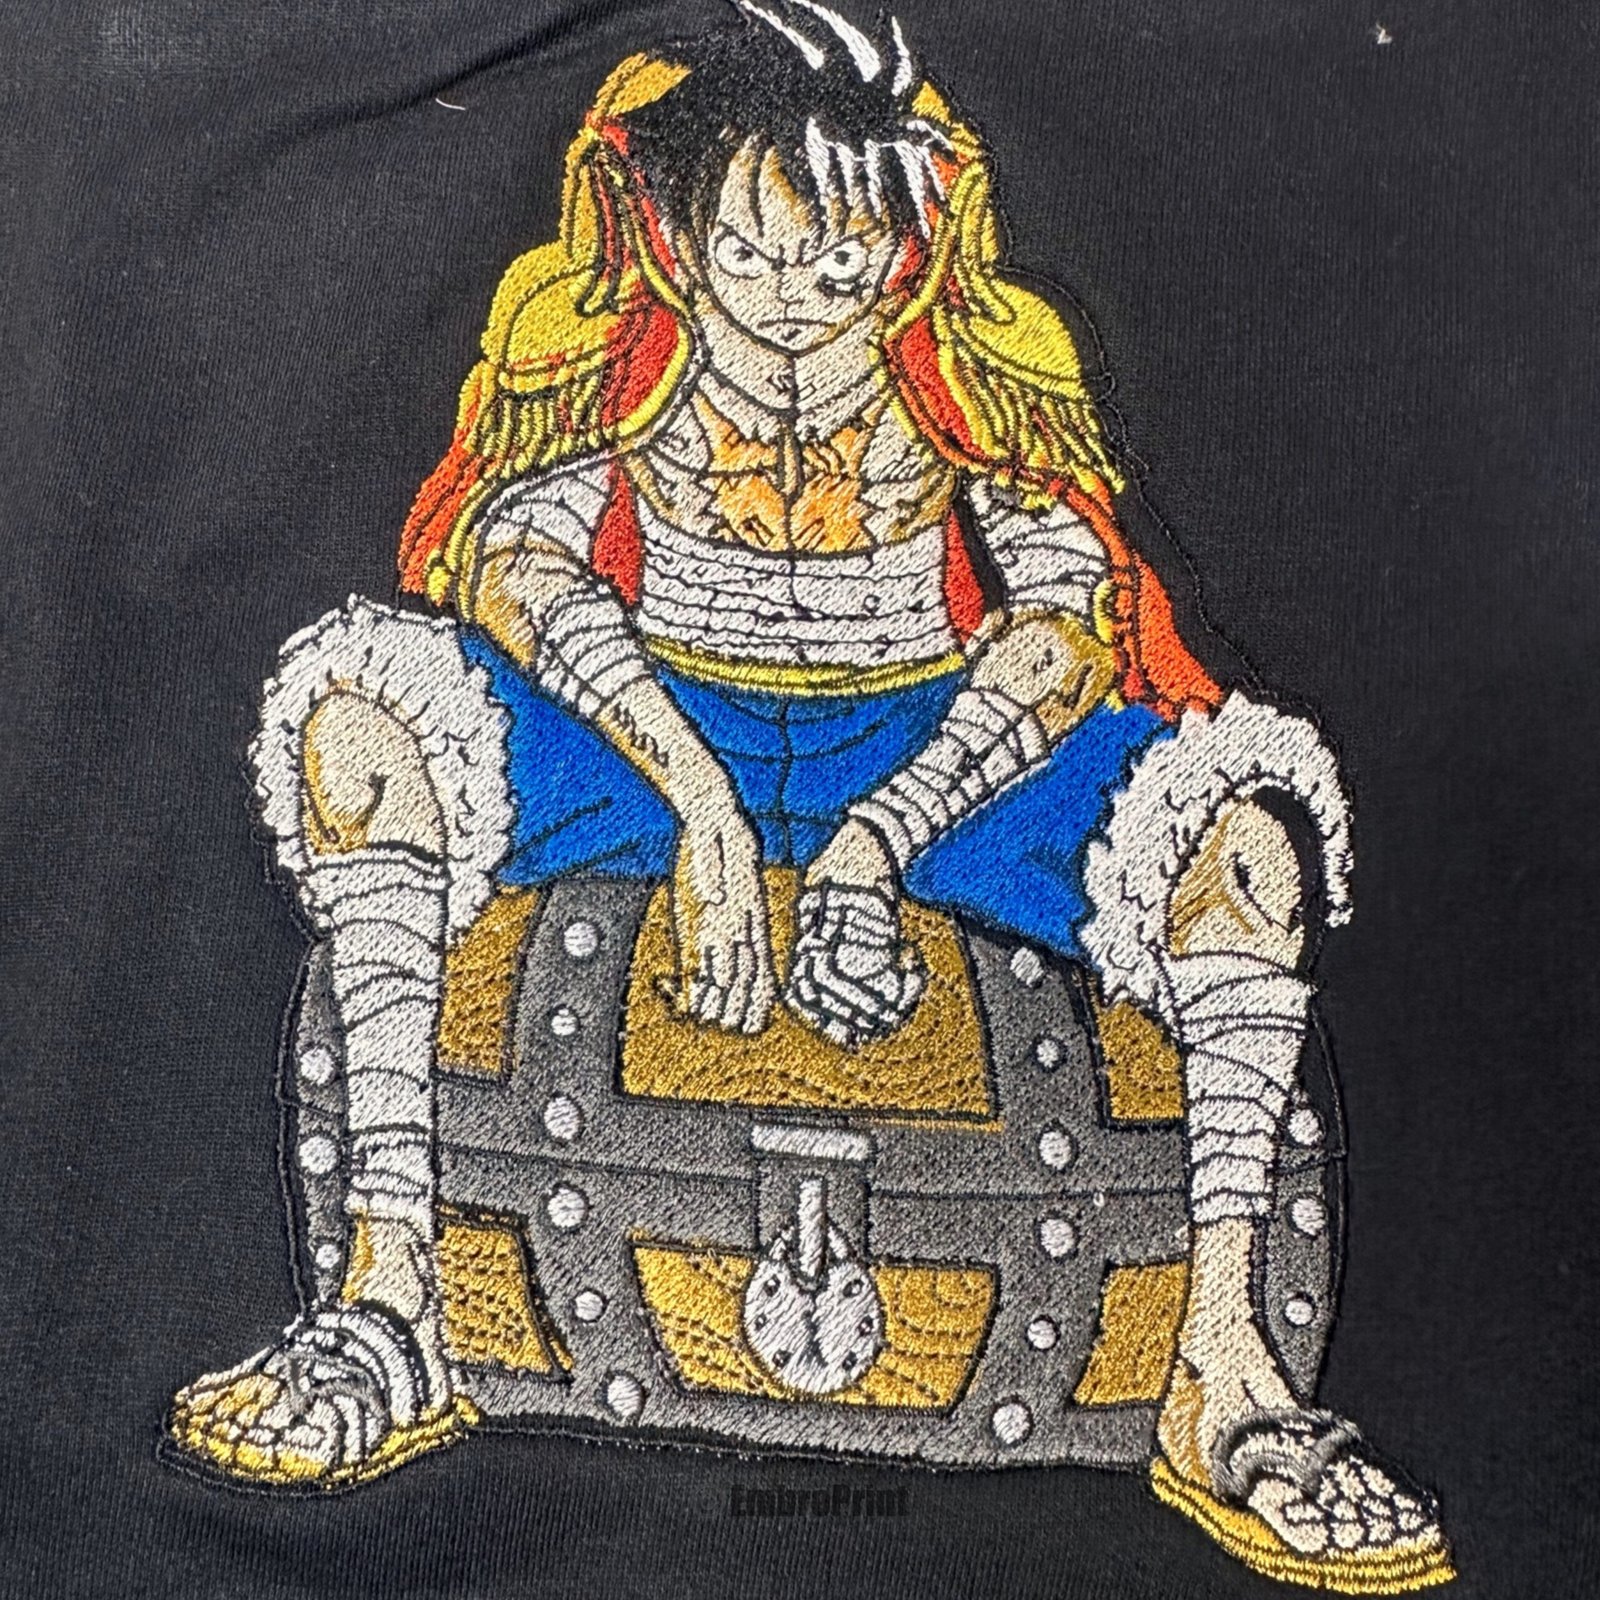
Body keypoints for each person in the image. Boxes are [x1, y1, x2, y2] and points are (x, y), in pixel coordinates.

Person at [171, 5, 1451, 1589]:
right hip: (656, 732)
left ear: (907, 245)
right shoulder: (621, 370)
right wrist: (699, 804)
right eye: (752, 254)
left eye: (841, 264)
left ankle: (1223, 1374)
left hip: (927, 752)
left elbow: (1069, 626)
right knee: (362, 725)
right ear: (678, 231)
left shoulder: (967, 386)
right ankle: (388, 1307)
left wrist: (880, 839)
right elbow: (513, 567)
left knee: (1247, 847)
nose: (794, 300)